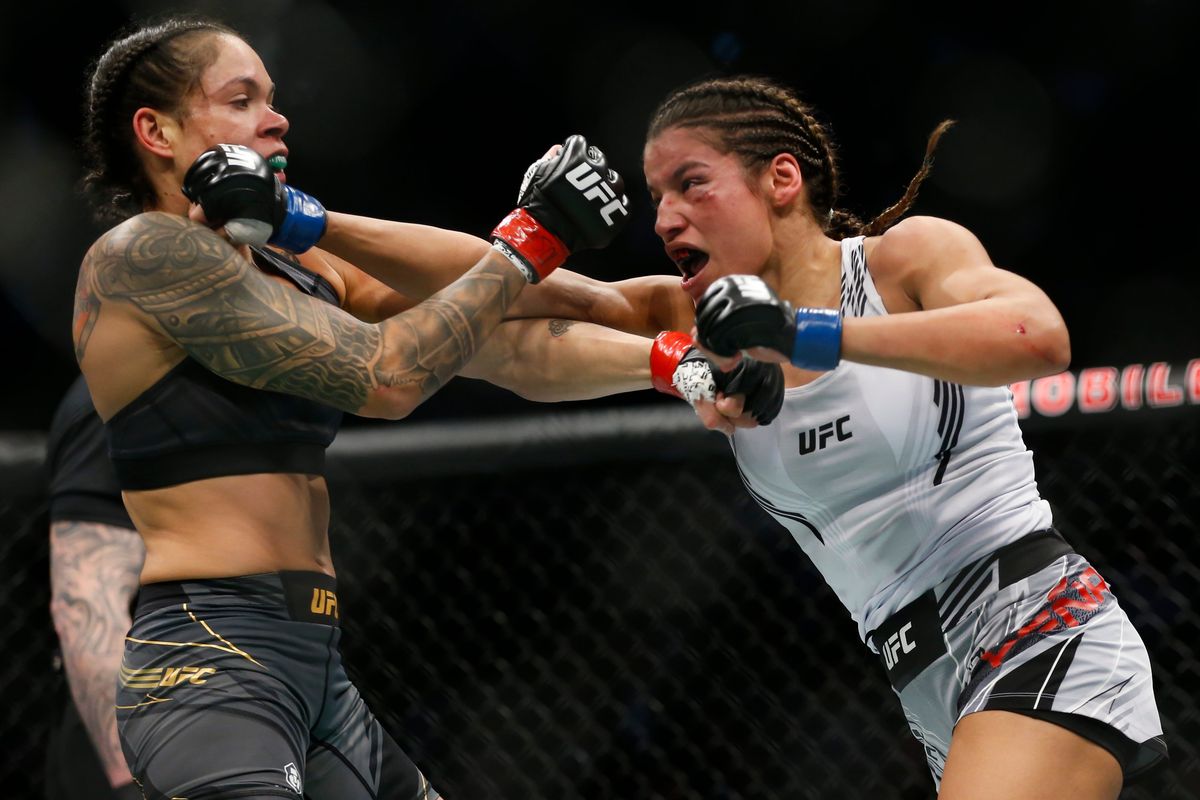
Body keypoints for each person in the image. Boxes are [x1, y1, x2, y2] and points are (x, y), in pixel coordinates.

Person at [70, 13, 690, 798]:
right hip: (211, 664)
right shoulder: (144, 256)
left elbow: (492, 330)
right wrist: (530, 242)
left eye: (273, 96)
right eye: (241, 98)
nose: (278, 115)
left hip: (317, 668)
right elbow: (389, 378)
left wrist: (668, 352)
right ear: (155, 131)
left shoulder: (286, 261)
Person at [506, 75, 1168, 798]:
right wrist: (523, 238)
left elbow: (1038, 338)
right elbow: (489, 332)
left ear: (781, 179)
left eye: (690, 184)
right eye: (657, 195)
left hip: (1033, 622)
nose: (664, 218)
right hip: (923, 684)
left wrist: (808, 333)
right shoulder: (693, 325)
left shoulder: (901, 262)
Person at [45, 374, 143, 800]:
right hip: (155, 730)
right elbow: (85, 604)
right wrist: (132, 778)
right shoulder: (122, 393)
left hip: (264, 705)